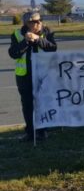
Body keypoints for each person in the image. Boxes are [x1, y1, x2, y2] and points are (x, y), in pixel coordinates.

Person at [8, 12, 57, 142]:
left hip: (43, 75)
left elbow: (53, 48)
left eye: (40, 20)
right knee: (28, 105)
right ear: (27, 23)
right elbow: (13, 53)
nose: (38, 23)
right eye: (34, 21)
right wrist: (26, 41)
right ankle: (30, 132)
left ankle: (43, 131)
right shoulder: (17, 34)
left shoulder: (47, 32)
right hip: (24, 76)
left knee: (43, 103)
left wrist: (38, 39)